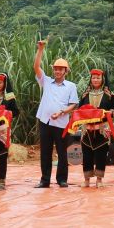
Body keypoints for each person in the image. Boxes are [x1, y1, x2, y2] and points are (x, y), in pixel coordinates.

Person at [33, 40, 79, 188]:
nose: (57, 71)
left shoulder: (71, 86)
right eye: (56, 69)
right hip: (45, 121)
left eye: (61, 69)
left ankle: (62, 179)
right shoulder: (46, 81)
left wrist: (62, 112)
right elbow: (36, 67)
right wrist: (40, 49)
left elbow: (74, 104)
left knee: (62, 152)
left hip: (61, 123)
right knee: (45, 152)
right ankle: (45, 180)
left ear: (66, 71)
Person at [77, 69, 114, 187]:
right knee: (87, 154)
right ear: (91, 79)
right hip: (87, 130)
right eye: (93, 78)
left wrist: (110, 112)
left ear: (102, 79)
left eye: (98, 78)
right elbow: (80, 109)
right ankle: (87, 180)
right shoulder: (85, 94)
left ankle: (99, 180)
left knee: (101, 154)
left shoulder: (109, 95)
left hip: (102, 129)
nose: (95, 80)